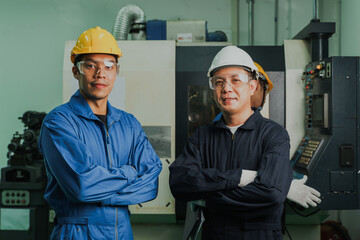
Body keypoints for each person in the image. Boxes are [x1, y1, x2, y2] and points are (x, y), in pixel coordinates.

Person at [38, 26, 162, 240]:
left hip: (122, 231)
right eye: (90, 65)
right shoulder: (59, 122)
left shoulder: (129, 124)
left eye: (108, 66)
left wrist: (101, 192)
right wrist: (130, 172)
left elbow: (150, 185)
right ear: (76, 71)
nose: (100, 74)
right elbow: (82, 187)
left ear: (117, 71)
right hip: (76, 232)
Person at [169, 46, 293, 239]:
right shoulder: (201, 137)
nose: (226, 88)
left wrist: (207, 197)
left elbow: (271, 194)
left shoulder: (274, 135)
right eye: (219, 82)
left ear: (252, 87)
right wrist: (237, 178)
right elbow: (180, 183)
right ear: (213, 89)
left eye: (236, 80)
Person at [215, 61, 322, 209]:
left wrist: (278, 182)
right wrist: (282, 186)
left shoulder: (269, 131)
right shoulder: (224, 127)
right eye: (264, 89)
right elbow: (228, 176)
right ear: (254, 86)